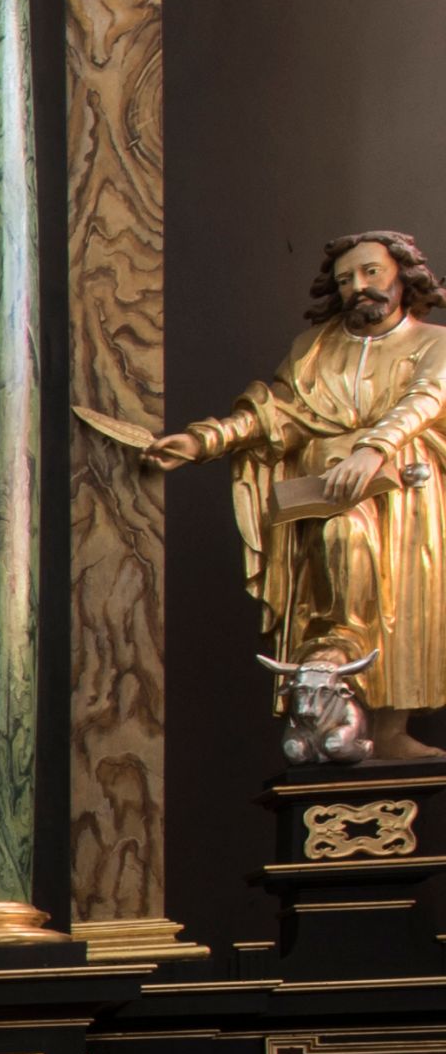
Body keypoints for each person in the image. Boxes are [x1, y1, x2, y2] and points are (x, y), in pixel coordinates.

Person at [135, 231, 446, 760]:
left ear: (403, 275)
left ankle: (390, 731)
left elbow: (427, 397)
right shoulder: (315, 348)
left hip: (402, 499)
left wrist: (372, 450)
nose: (358, 286)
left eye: (370, 271)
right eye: (345, 279)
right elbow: (276, 414)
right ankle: (331, 710)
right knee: (339, 553)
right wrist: (202, 442)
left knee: (400, 604)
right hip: (323, 493)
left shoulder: (433, 342)